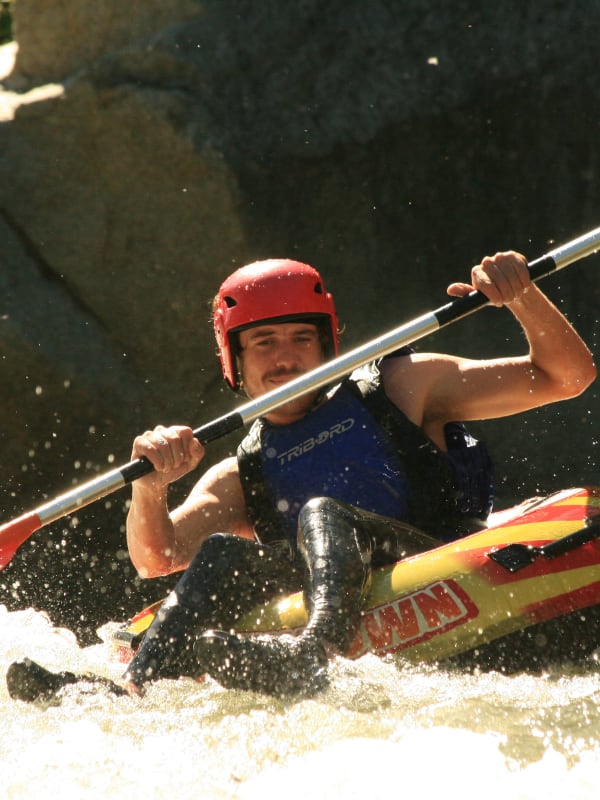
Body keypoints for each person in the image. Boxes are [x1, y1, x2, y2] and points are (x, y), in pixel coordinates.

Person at [6, 251, 596, 703]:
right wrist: (150, 485)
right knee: (221, 553)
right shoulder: (242, 473)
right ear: (234, 362)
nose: (285, 358)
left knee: (321, 511)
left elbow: (567, 377)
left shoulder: (401, 387)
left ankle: (314, 652)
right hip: (325, 583)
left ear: (327, 344)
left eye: (301, 339)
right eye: (264, 343)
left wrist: (522, 297)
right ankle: (135, 688)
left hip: (430, 550)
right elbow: (157, 558)